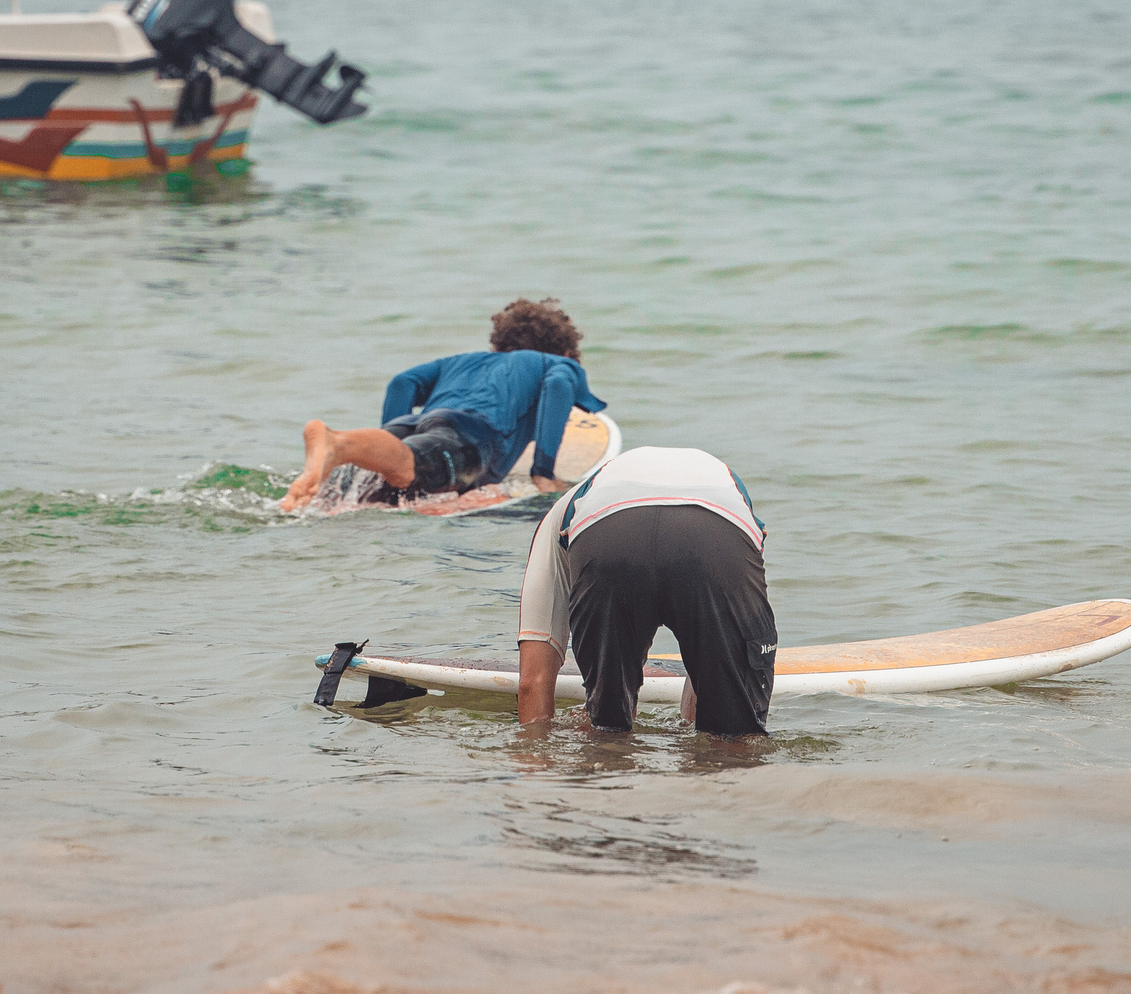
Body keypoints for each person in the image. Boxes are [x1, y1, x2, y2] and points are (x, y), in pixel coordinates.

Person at [515, 446, 776, 736]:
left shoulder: (560, 517)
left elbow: (532, 683)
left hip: (606, 535)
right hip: (719, 528)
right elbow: (712, 651)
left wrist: (533, 762)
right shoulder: (730, 491)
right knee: (734, 738)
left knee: (605, 729)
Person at [280, 297, 605, 511]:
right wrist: (543, 474)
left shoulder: (462, 361)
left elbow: (403, 383)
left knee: (335, 506)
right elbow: (560, 386)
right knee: (407, 469)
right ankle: (337, 443)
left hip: (413, 425)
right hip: (470, 433)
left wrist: (388, 442)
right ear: (565, 352)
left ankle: (365, 455)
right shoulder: (557, 364)